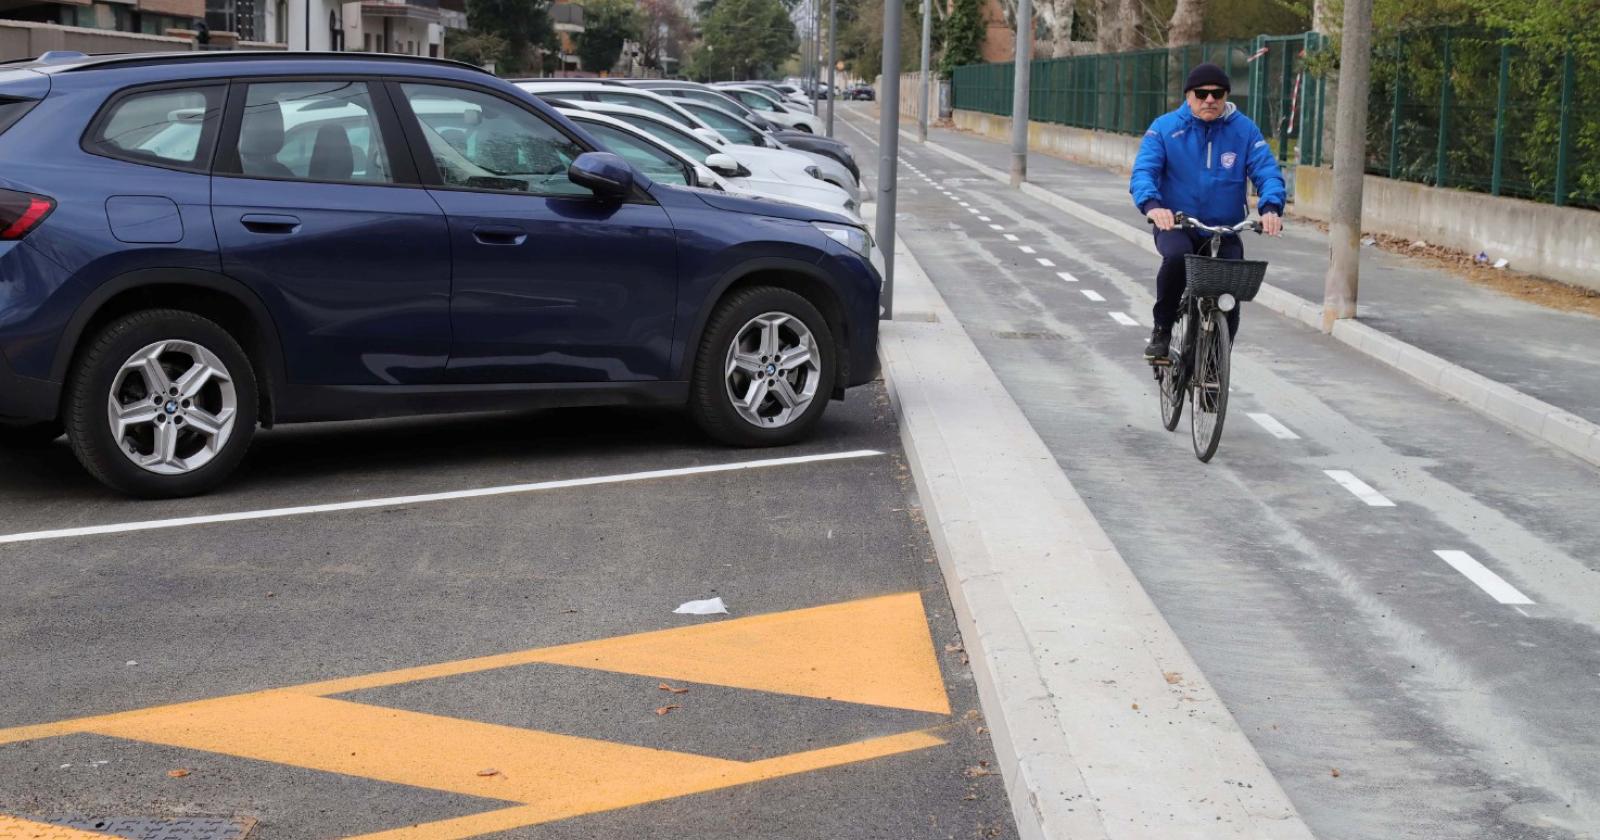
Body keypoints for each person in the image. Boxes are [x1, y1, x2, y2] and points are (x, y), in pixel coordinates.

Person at [1129, 62, 1285, 360]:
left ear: (1226, 96)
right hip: (1177, 224)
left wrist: (1270, 209)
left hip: (1224, 228)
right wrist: (1154, 207)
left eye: (1217, 94)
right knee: (1176, 258)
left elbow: (1267, 171)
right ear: (1188, 96)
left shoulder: (1244, 130)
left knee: (1230, 293)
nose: (1209, 100)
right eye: (1201, 94)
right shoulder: (1164, 128)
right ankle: (1162, 329)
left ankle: (1216, 361)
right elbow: (1144, 172)